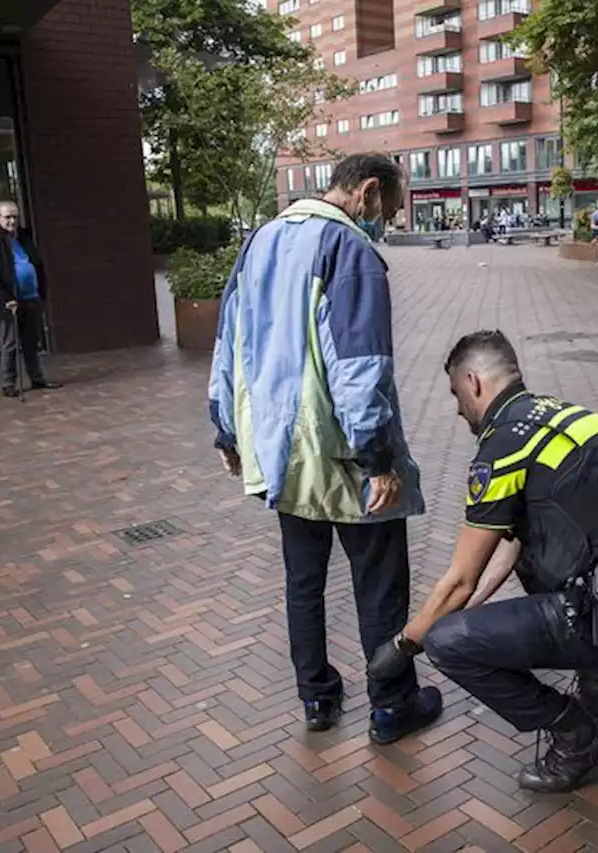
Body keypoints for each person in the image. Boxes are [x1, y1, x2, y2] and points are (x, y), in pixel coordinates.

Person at [365, 330, 598, 793]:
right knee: (529, 565)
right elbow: (513, 544)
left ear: (474, 383)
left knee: (448, 643)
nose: (459, 411)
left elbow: (459, 580)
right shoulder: (565, 416)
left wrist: (404, 645)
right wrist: (469, 606)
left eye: (457, 395)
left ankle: (578, 737)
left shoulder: (503, 445)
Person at [208, 152, 441, 744]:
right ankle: (392, 705)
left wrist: (227, 429)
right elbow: (361, 369)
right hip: (340, 452)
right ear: (367, 192)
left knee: (303, 582)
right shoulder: (352, 251)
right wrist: (378, 457)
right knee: (380, 585)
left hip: (280, 450)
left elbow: (229, 342)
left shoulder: (259, 241)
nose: (388, 217)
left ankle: (316, 698)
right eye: (389, 205)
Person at [0, 201, 60, 397]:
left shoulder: (24, 236)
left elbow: (36, 263)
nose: (12, 221)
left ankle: (37, 378)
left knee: (31, 342)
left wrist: (41, 290)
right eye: (7, 217)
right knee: (10, 343)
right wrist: (6, 298)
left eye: (14, 216)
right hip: (7, 301)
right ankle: (9, 383)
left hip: (31, 297)